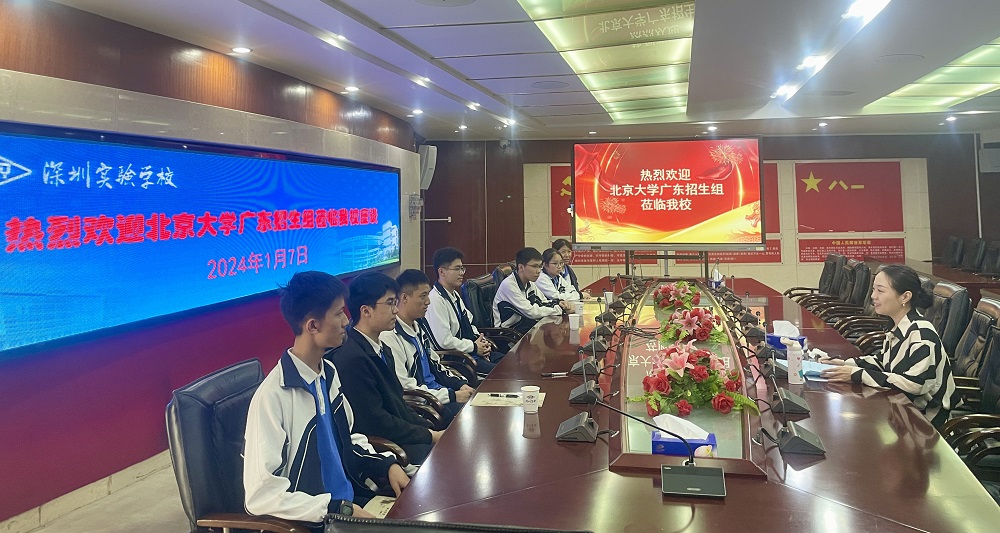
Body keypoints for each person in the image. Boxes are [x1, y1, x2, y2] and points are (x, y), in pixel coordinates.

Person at [244, 271, 410, 525]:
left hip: (351, 502)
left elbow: (348, 438)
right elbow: (261, 496)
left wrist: (386, 465)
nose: (346, 321)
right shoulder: (273, 397)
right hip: (316, 519)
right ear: (313, 326)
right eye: (339, 313)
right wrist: (336, 508)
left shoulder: (328, 373)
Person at [819, 264, 957, 427]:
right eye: (873, 290)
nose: (873, 296)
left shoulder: (921, 334)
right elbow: (883, 361)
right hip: (900, 410)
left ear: (905, 297)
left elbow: (914, 384)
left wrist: (858, 374)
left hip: (926, 421)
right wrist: (845, 364)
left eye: (880, 291)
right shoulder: (897, 325)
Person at [327, 272, 443, 465]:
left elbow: (398, 403)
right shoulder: (353, 359)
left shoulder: (382, 349)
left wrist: (428, 429)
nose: (396, 310)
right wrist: (428, 435)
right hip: (387, 450)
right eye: (390, 303)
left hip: (402, 437)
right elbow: (376, 422)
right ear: (366, 311)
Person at [381, 269, 476, 426]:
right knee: (473, 416)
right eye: (423, 296)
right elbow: (406, 388)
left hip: (439, 394)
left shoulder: (418, 326)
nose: (428, 302)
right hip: (427, 406)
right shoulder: (390, 336)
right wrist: (452, 396)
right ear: (404, 298)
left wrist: (459, 385)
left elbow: (436, 364)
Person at [425, 247, 497, 377]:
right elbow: (445, 342)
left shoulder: (454, 295)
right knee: (504, 372)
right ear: (441, 271)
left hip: (470, 351)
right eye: (457, 269)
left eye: (462, 268)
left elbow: (469, 323)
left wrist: (481, 343)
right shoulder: (435, 300)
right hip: (458, 360)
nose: (461, 273)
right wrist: (474, 347)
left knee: (511, 362)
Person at [494, 247, 570, 334]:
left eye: (540, 267)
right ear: (521, 267)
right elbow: (531, 312)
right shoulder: (509, 285)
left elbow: (543, 301)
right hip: (508, 334)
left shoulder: (529, 282)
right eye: (534, 266)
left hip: (525, 329)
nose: (539, 271)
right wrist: (560, 310)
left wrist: (559, 303)